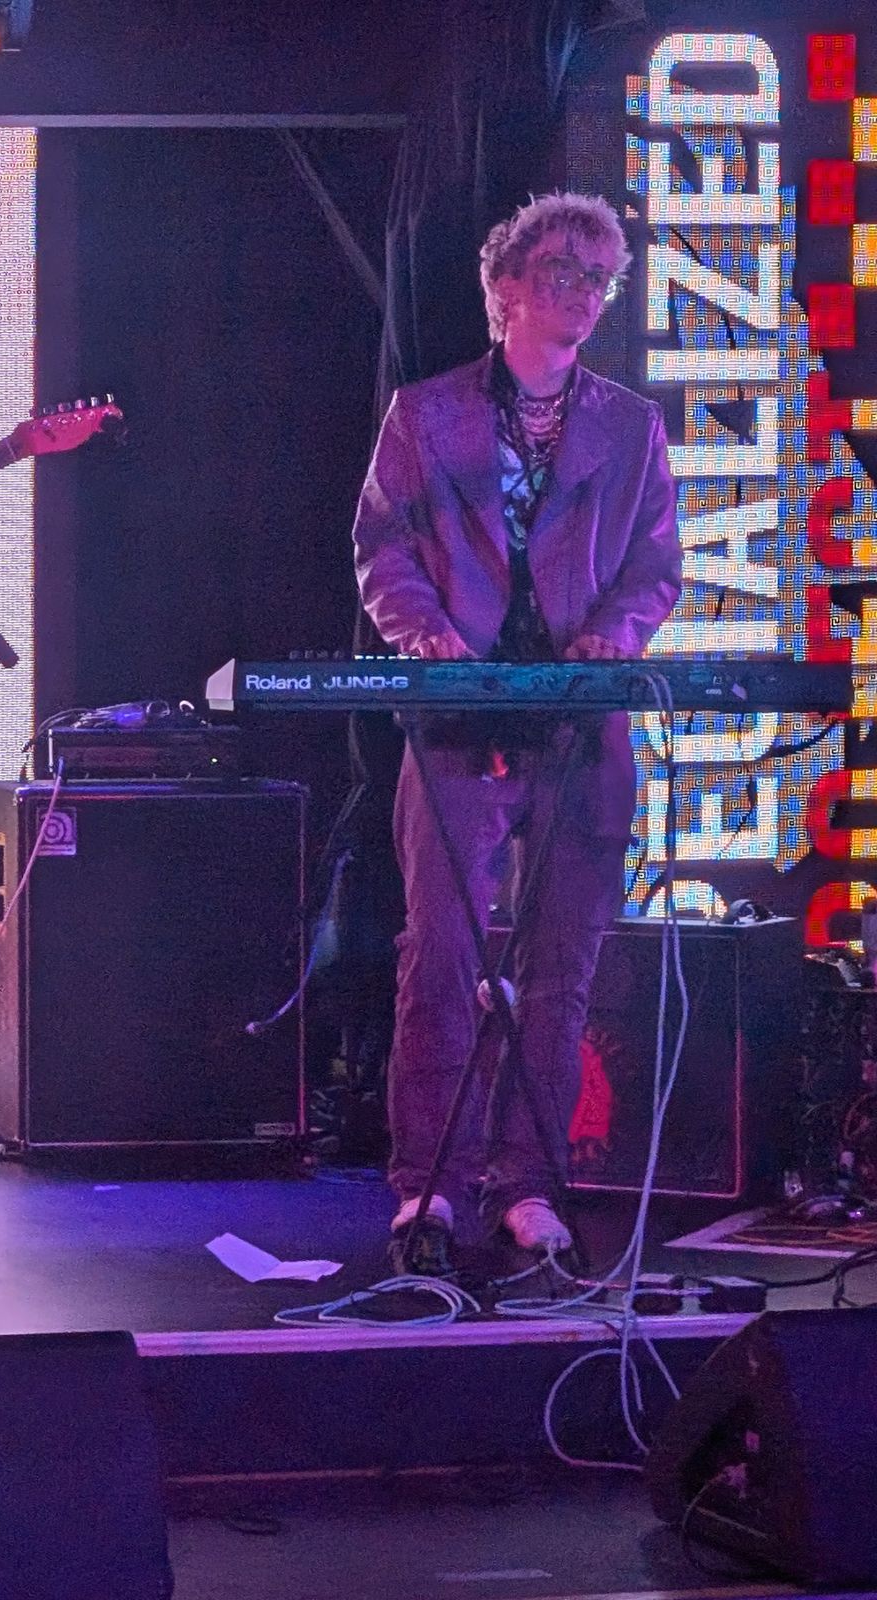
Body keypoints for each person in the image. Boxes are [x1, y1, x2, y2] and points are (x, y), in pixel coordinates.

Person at [351, 191, 681, 1273]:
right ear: (505, 288)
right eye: (561, 273)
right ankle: (429, 1186)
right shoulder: (425, 414)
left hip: (577, 723)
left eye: (598, 278)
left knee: (563, 964)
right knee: (441, 952)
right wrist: (428, 635)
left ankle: (527, 1183)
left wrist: (615, 635)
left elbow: (655, 567)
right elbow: (382, 549)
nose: (582, 293)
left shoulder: (629, 426)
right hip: (460, 714)